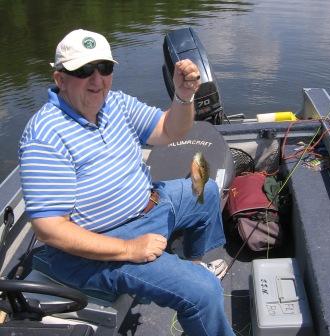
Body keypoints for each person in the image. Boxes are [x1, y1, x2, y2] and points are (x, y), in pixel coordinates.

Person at [18, 29, 235, 336]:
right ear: (60, 79)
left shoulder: (114, 104)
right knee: (204, 291)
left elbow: (167, 130)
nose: (97, 80)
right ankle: (193, 289)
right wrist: (128, 248)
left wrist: (183, 97)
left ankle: (191, 263)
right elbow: (50, 229)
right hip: (102, 245)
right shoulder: (45, 136)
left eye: (104, 68)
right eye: (83, 71)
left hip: (150, 205)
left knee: (206, 191)